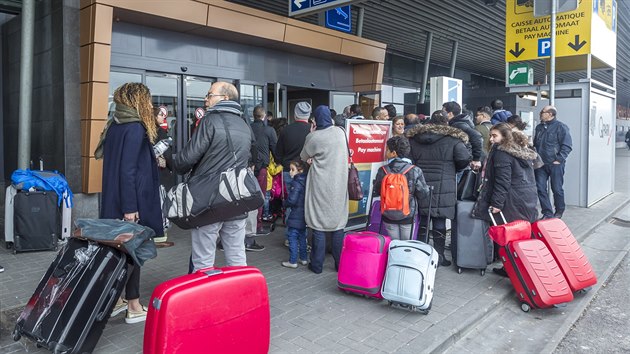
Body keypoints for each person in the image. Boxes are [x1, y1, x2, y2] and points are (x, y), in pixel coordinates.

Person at [97, 82, 163, 324]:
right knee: (133, 254)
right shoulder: (135, 128)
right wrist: (130, 209)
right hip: (129, 202)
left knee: (120, 252)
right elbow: (129, 172)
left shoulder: (114, 126)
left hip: (114, 200)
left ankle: (117, 300)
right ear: (139, 100)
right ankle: (134, 305)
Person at [173, 82, 256, 271]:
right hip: (236, 199)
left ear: (225, 98)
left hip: (209, 201)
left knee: (203, 259)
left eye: (210, 95)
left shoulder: (210, 121)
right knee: (236, 256)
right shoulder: (244, 124)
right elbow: (251, 157)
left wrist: (173, 160)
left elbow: (187, 159)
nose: (206, 98)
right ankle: (240, 296)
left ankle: (203, 299)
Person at [471, 123, 538, 276]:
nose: (492, 139)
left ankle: (511, 268)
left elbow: (502, 181)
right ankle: (520, 266)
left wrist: (497, 204)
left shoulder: (502, 153)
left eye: (495, 136)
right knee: (521, 233)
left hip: (512, 199)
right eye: (491, 136)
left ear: (504, 137)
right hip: (526, 197)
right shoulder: (521, 150)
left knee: (510, 234)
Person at [406, 110, 471, 266]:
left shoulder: (415, 139)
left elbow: (410, 159)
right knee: (439, 218)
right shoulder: (454, 140)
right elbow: (463, 159)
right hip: (445, 183)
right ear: (446, 123)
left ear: (429, 122)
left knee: (422, 217)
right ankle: (440, 255)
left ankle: (421, 252)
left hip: (420, 182)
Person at [300, 105, 349, 274]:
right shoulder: (341, 132)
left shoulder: (313, 137)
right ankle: (339, 264)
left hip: (320, 185)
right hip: (339, 184)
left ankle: (317, 265)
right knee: (338, 225)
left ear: (315, 120)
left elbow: (303, 157)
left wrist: (312, 131)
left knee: (318, 225)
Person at [373, 136, 430, 240]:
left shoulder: (383, 170)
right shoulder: (414, 170)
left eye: (387, 150)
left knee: (394, 243)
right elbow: (422, 193)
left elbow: (377, 190)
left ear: (394, 153)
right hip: (407, 214)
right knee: (406, 245)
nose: (385, 152)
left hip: (388, 214)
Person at [533, 105, 572, 219]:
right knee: (540, 188)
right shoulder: (539, 127)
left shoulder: (561, 127)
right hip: (540, 163)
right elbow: (536, 143)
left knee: (556, 188)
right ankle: (547, 212)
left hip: (555, 164)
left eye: (543, 112)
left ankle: (559, 211)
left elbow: (567, 146)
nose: (540, 114)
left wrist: (559, 159)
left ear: (550, 114)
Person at [251, 105, 278, 224]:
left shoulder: (248, 128)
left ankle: (249, 222)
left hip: (248, 167)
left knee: (248, 195)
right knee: (261, 195)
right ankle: (258, 222)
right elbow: (275, 149)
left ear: (253, 115)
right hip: (262, 167)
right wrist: (279, 162)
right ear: (264, 116)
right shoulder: (269, 130)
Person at [276, 102, 312, 190]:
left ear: (295, 114)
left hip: (288, 170)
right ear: (308, 115)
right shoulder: (312, 131)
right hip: (306, 170)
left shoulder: (286, 130)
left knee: (289, 200)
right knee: (305, 201)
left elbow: (278, 153)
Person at [153, 106, 174, 248]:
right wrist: (173, 166)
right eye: (160, 115)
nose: (163, 117)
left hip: (150, 174)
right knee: (162, 205)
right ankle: (160, 237)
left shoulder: (146, 132)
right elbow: (167, 154)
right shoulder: (161, 132)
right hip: (161, 174)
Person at [282, 159, 309, 268]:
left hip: (296, 214)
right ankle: (303, 258)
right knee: (302, 237)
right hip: (304, 214)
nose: (290, 172)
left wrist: (285, 203)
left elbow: (292, 200)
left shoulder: (296, 183)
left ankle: (292, 261)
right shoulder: (305, 181)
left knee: (292, 237)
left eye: (293, 170)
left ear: (300, 170)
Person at [443, 101, 483, 171]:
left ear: (450, 114)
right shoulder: (461, 123)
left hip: (462, 162)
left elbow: (477, 136)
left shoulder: (459, 125)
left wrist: (476, 159)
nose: (442, 115)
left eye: (443, 112)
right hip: (463, 160)